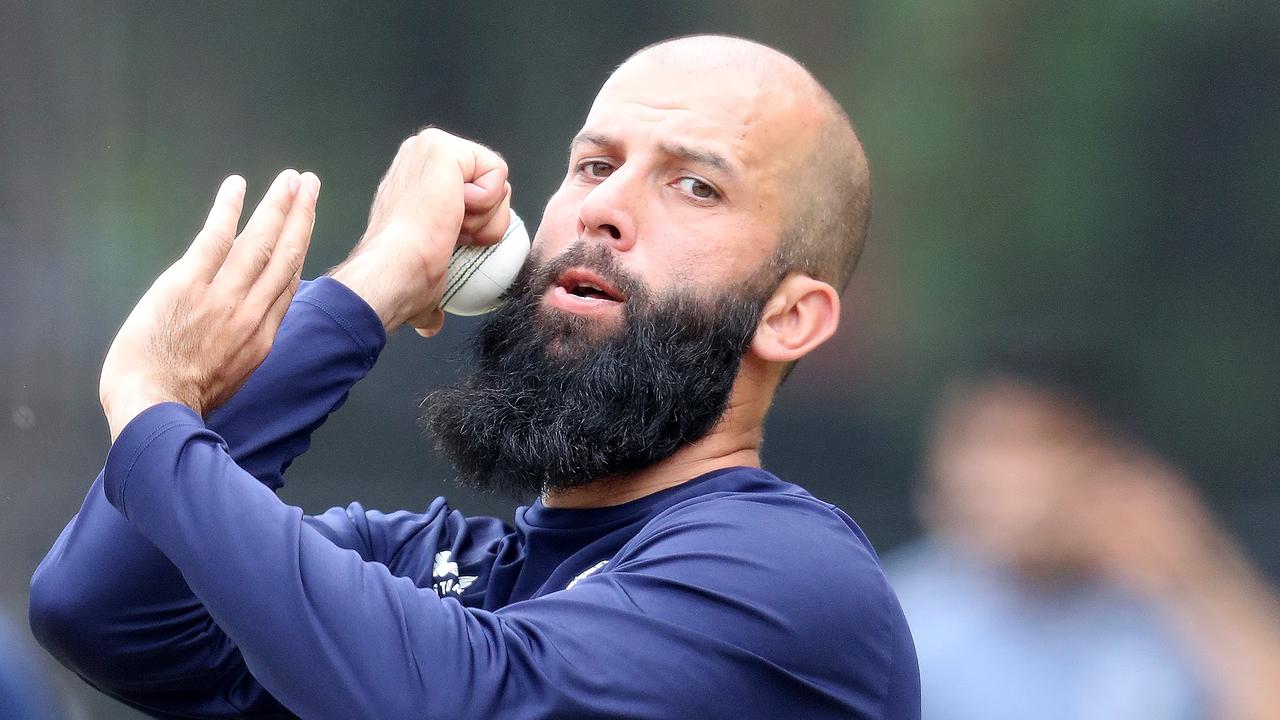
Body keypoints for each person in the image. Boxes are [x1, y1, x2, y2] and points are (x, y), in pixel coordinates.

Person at [28, 35, 920, 719]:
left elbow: (454, 698)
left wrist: (154, 403)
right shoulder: (449, 571)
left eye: (695, 187)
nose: (605, 206)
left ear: (789, 316)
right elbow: (108, 610)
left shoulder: (794, 580)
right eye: (596, 165)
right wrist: (368, 288)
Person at [887, 350, 1280, 720]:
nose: (994, 477)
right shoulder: (896, 614)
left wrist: (1195, 572)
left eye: (1030, 444)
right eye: (975, 444)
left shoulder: (1167, 607)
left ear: (1106, 459)